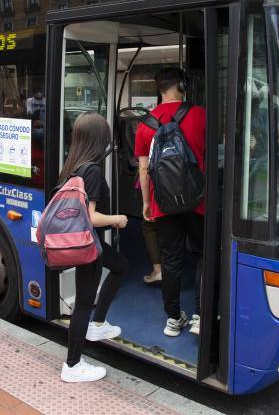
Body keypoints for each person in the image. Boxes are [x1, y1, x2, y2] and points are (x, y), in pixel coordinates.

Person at [134, 68, 206, 337]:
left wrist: (146, 204)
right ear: (183, 85)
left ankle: (174, 319)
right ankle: (200, 315)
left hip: (162, 203)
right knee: (202, 255)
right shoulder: (200, 114)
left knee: (171, 260)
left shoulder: (145, 124)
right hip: (198, 201)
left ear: (159, 89)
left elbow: (143, 170)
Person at [58, 112, 129, 383]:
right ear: (101, 140)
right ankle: (72, 365)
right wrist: (118, 220)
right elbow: (90, 216)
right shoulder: (94, 171)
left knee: (122, 266)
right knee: (83, 303)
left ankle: (98, 324)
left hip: (88, 242)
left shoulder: (73, 164)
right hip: (89, 244)